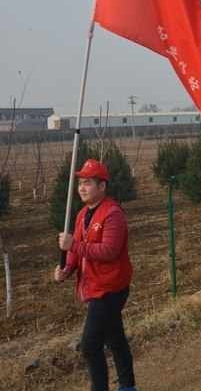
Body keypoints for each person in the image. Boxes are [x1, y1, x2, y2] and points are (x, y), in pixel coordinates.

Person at [54, 159, 136, 391]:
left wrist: (73, 245)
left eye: (88, 183)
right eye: (80, 183)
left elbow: (109, 251)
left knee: (90, 347)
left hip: (110, 290)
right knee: (115, 340)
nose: (82, 188)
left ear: (102, 186)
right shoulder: (83, 214)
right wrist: (67, 269)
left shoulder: (112, 213)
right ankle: (128, 387)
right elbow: (76, 251)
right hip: (96, 288)